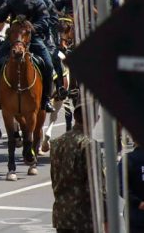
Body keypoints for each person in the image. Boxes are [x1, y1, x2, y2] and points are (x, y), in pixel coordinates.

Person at [0, 0, 56, 113]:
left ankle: (46, 99)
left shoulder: (39, 2)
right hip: (14, 38)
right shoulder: (12, 0)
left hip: (33, 38)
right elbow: (0, 15)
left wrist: (32, 27)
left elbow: (45, 21)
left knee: (48, 64)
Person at [50, 98, 95, 232]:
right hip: (83, 219)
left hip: (61, 216)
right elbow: (95, 188)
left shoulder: (57, 142)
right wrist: (105, 218)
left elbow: (54, 178)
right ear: (95, 119)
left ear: (75, 116)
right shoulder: (89, 144)